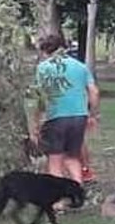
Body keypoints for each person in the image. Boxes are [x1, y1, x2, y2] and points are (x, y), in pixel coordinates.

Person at [30, 32, 100, 186]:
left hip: (56, 117)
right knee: (73, 157)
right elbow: (94, 91)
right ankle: (77, 194)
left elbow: (40, 98)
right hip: (79, 116)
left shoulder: (43, 68)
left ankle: (59, 200)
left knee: (55, 161)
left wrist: (36, 123)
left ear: (45, 51)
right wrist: (92, 114)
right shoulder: (80, 66)